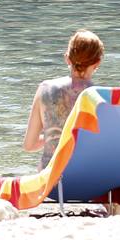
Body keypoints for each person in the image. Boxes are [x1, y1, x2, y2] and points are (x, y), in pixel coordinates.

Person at [23, 29, 104, 167]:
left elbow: (29, 145)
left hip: (51, 180)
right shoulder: (101, 97)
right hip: (87, 176)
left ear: (67, 58)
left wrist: (52, 136)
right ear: (97, 63)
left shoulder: (45, 89)